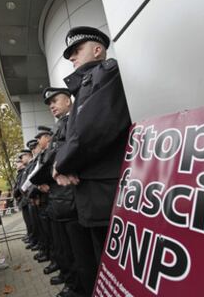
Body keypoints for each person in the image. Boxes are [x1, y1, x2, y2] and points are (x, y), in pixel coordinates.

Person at [53, 26, 131, 295]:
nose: (72, 57)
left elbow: (91, 131)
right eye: (70, 54)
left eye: (77, 50)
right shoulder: (85, 85)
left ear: (97, 50)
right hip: (93, 194)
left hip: (106, 193)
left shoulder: (105, 73)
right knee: (103, 266)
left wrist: (60, 165)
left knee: (119, 270)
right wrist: (62, 164)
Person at [31, 87, 84, 297]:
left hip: (68, 196)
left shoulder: (73, 121)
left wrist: (39, 178)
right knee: (66, 247)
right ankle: (74, 284)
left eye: (55, 101)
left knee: (77, 251)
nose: (52, 105)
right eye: (49, 103)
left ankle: (78, 288)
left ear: (69, 101)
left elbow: (56, 158)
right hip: (58, 198)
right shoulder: (61, 125)